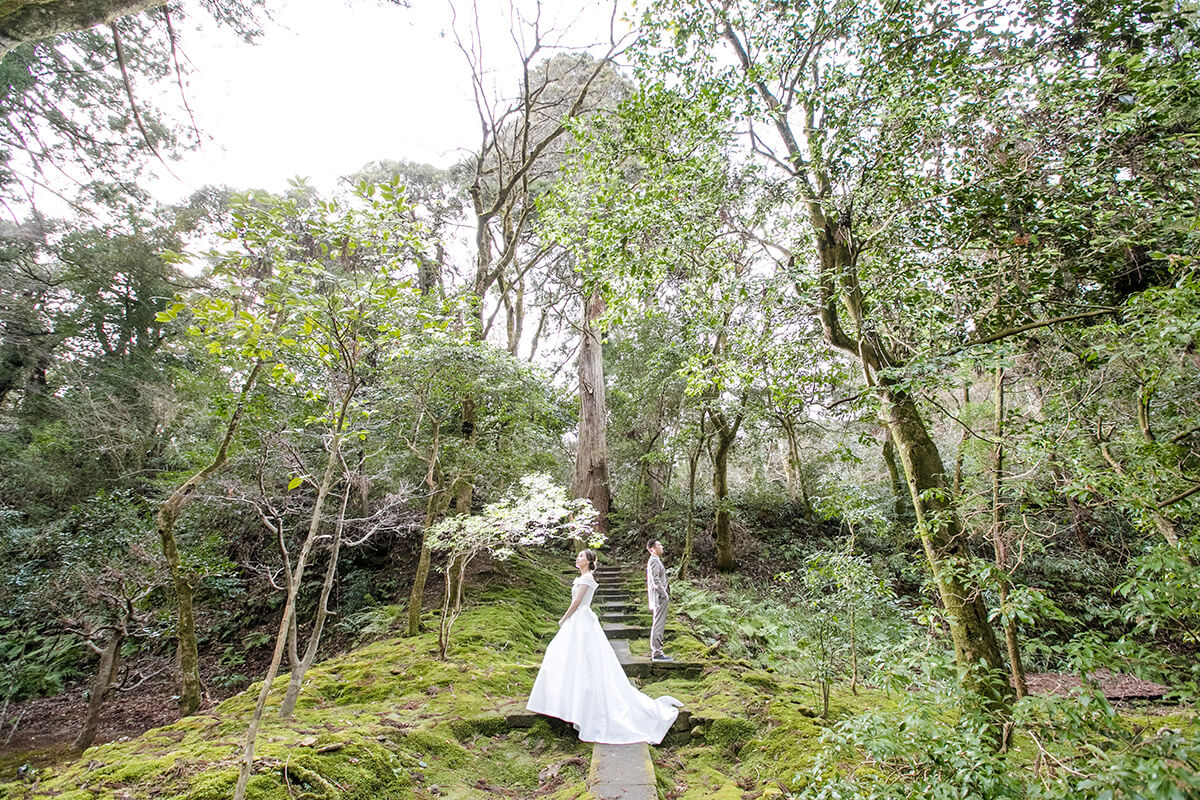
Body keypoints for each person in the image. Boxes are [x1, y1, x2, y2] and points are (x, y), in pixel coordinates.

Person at [526, 549, 682, 745]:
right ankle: (561, 703)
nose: (578, 558)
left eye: (581, 556)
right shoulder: (582, 577)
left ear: (589, 561)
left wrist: (563, 618)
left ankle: (580, 707)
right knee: (563, 656)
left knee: (582, 659)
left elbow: (577, 602)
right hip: (579, 621)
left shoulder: (588, 579)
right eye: (578, 556)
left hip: (581, 620)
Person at [646, 540, 673, 662]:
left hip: (659, 596)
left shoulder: (656, 560)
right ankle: (657, 652)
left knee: (659, 622)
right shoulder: (654, 560)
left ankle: (657, 651)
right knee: (658, 623)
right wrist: (664, 594)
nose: (662, 547)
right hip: (659, 597)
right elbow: (655, 580)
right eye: (659, 545)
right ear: (652, 548)